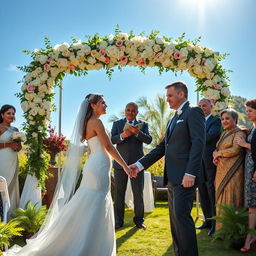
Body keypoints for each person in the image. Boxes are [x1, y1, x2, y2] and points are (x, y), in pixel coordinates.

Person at [4, 94, 132, 256]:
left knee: (91, 201)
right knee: (96, 201)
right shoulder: (96, 122)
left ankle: (89, 244)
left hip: (97, 164)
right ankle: (89, 247)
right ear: (93, 105)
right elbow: (108, 146)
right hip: (98, 165)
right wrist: (126, 167)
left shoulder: (90, 122)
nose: (105, 105)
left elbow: (106, 144)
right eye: (102, 102)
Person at [130, 81, 205, 256]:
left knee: (182, 219)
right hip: (171, 178)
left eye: (170, 96)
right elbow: (161, 148)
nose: (167, 99)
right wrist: (139, 165)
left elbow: (198, 144)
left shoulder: (194, 112)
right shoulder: (172, 120)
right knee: (175, 222)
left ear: (181, 94)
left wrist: (190, 172)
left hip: (185, 177)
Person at [111, 102, 152, 229]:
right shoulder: (117, 123)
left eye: (133, 110)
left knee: (138, 193)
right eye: (128, 110)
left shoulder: (143, 125)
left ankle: (139, 220)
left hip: (137, 165)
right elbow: (112, 140)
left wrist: (137, 133)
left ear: (137, 112)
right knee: (119, 193)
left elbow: (149, 140)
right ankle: (118, 221)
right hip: (120, 164)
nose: (130, 112)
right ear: (125, 111)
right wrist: (123, 135)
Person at [213, 108, 246, 229]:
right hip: (221, 169)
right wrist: (215, 154)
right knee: (221, 197)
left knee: (231, 197)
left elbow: (236, 150)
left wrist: (219, 153)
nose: (224, 121)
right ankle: (220, 230)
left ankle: (231, 230)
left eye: (227, 118)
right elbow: (218, 149)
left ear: (235, 119)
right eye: (222, 119)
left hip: (234, 171)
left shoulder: (239, 132)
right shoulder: (224, 133)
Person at [196, 99, 221, 236]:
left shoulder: (215, 121)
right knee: (202, 192)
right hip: (198, 163)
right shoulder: (196, 122)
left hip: (210, 162)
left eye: (204, 105)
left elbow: (212, 136)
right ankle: (207, 221)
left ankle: (215, 224)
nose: (202, 108)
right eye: (199, 106)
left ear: (211, 107)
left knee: (211, 192)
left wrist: (196, 137)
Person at [235, 98, 256, 252]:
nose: (247, 113)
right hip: (250, 170)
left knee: (252, 206)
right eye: (247, 110)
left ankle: (249, 238)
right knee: (251, 205)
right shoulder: (254, 128)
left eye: (250, 111)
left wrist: (244, 144)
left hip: (254, 170)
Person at [0, 105, 21, 214]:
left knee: (12, 185)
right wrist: (9, 144)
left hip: (13, 160)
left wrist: (18, 146)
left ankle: (10, 216)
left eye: (13, 113)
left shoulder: (15, 130)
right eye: (8, 113)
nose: (11, 116)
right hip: (2, 161)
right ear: (2, 114)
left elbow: (18, 147)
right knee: (3, 184)